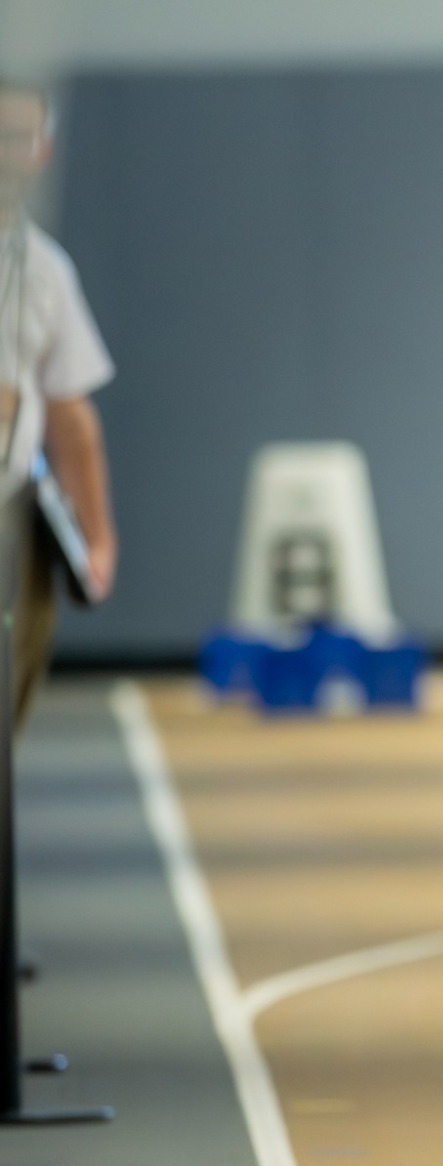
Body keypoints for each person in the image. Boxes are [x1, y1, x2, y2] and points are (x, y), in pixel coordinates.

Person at [0, 77, 118, 726]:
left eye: (19, 138)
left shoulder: (46, 270)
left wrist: (97, 539)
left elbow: (71, 417)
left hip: (14, 523)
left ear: (41, 151)